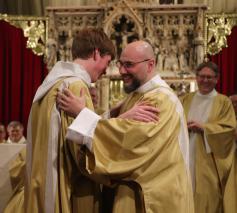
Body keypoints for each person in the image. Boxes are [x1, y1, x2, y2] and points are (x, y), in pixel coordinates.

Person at [57, 40, 194, 213]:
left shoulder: (160, 100)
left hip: (153, 197)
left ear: (150, 64)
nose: (121, 71)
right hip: (134, 190)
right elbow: (119, 127)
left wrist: (82, 114)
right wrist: (111, 115)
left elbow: (130, 143)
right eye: (120, 64)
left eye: (129, 65)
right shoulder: (137, 96)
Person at [7, 28, 115, 213]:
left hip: (42, 187)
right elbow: (82, 155)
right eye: (108, 61)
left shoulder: (49, 85)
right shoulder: (76, 86)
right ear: (97, 53)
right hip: (69, 192)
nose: (107, 70)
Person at [180, 61, 236, 213]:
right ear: (196, 78)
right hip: (184, 156)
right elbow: (173, 122)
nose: (205, 80)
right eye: (202, 76)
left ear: (217, 79)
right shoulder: (185, 99)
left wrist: (204, 128)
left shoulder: (223, 102)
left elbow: (229, 129)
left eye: (209, 77)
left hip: (209, 161)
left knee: (207, 198)